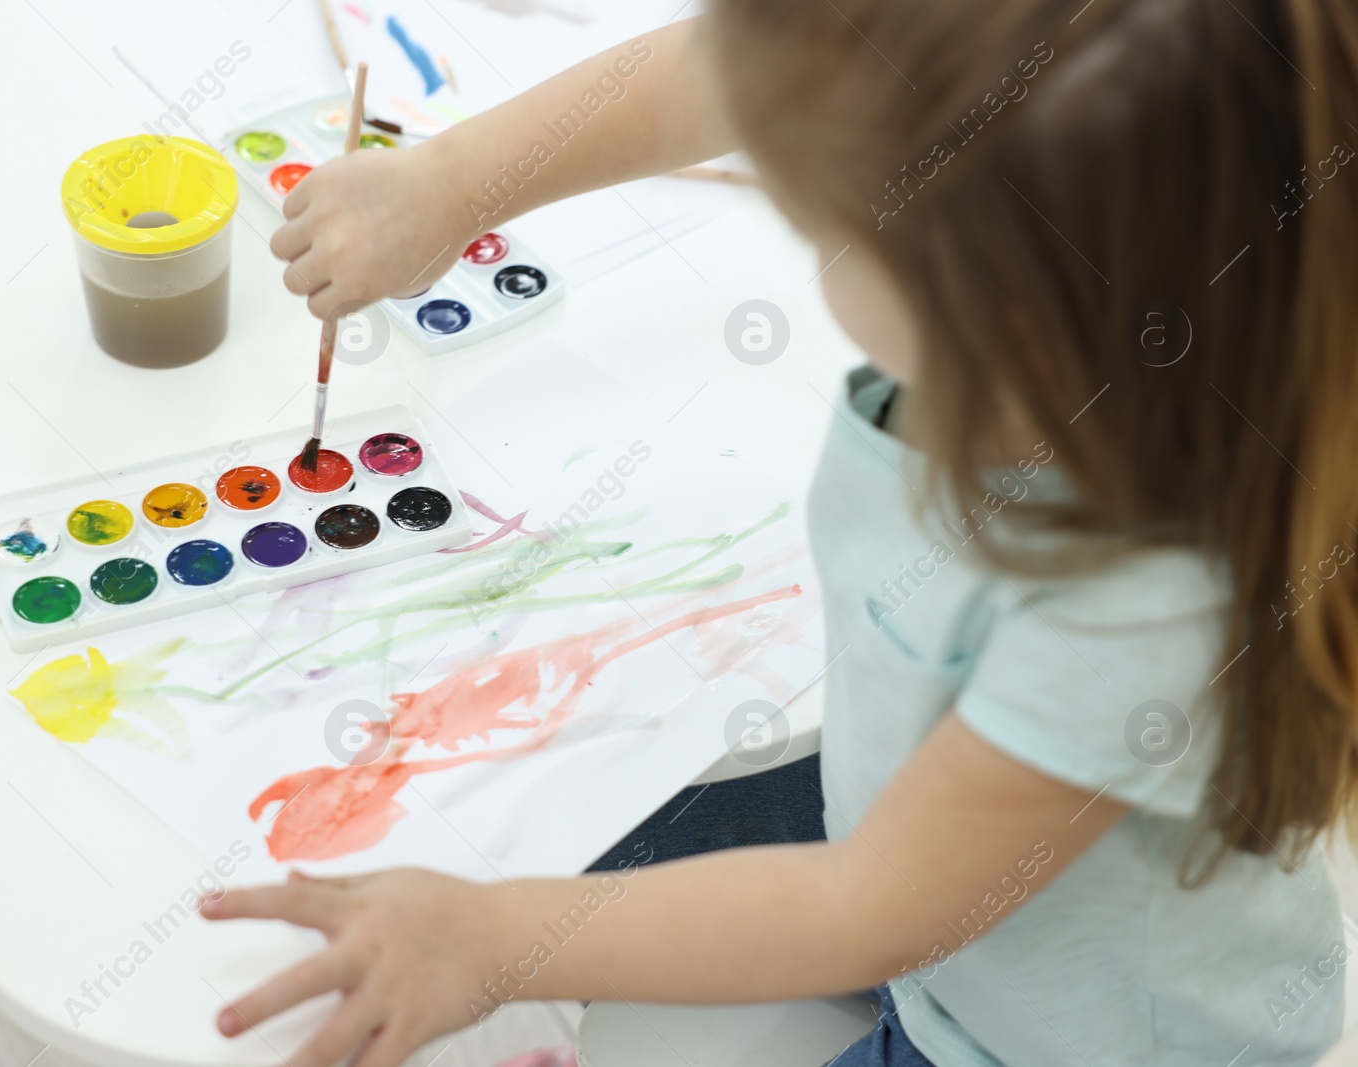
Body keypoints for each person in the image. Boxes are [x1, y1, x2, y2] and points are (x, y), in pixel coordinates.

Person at [202, 2, 1358, 1063]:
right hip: (898, 820)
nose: (788, 193)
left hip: (1026, 1035)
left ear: (1002, 321)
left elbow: (871, 910)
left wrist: (493, 939)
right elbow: (727, 72)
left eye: (829, 212)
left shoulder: (1135, 608)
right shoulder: (1048, 305)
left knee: (528, 897)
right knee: (560, 819)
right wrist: (451, 180)